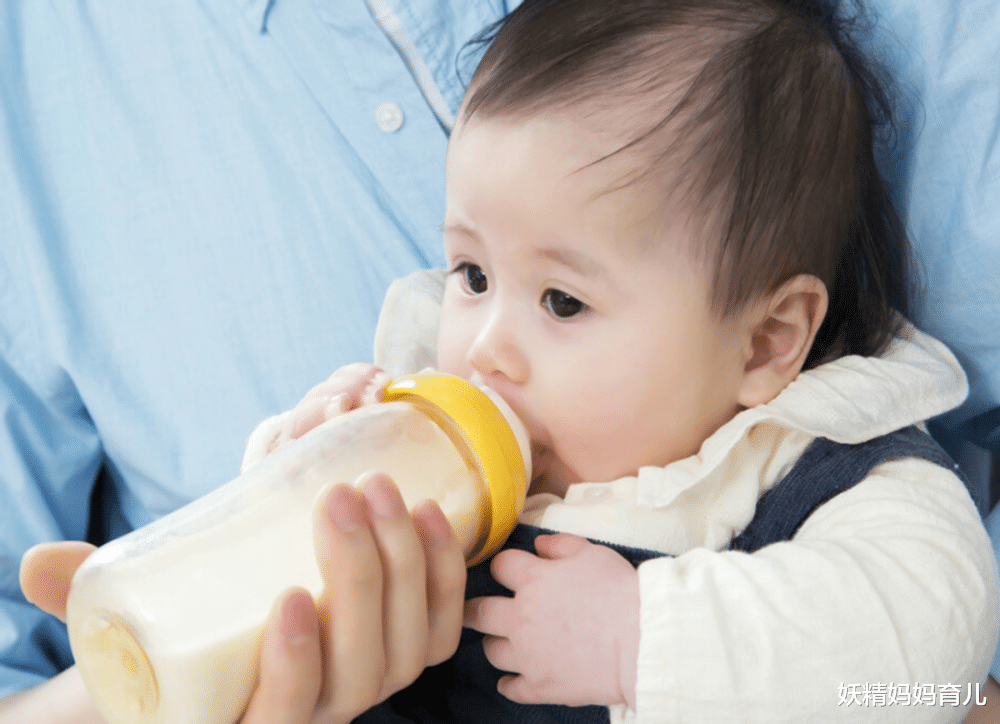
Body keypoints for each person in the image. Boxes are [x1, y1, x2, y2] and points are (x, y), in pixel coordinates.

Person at [5, 0, 1000, 723]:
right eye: (471, 271)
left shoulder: (818, 470)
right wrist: (301, 464)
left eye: (562, 300)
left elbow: (925, 659)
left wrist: (639, 640)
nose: (482, 345)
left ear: (766, 341)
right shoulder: (442, 436)